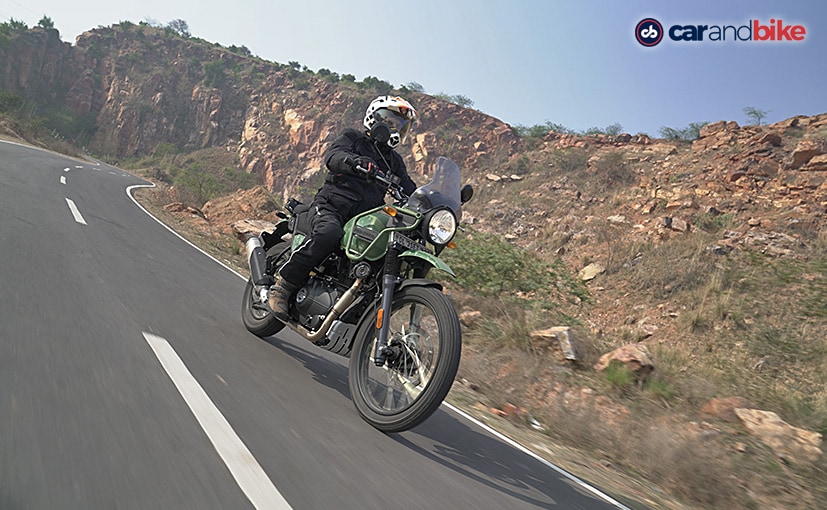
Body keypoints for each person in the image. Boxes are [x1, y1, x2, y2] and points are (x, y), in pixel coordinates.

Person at [268, 95, 419, 321]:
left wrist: (431, 203)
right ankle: (283, 285)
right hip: (331, 207)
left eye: (400, 125)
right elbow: (333, 156)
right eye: (389, 121)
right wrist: (354, 162)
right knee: (329, 233)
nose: (393, 128)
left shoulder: (394, 161)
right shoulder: (353, 137)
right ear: (374, 117)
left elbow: (409, 188)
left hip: (362, 218)